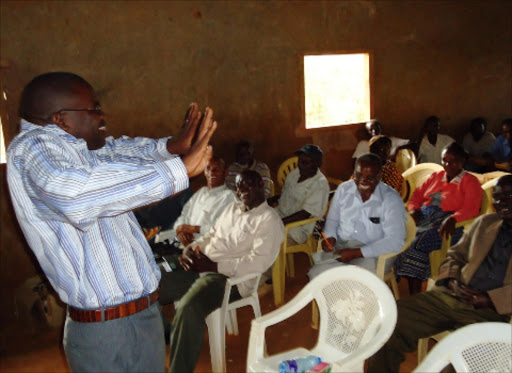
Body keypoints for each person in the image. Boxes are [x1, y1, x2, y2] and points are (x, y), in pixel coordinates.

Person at [6, 72, 217, 372]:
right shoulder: (33, 150)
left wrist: (170, 147)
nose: (102, 116)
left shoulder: (76, 147)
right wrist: (177, 170)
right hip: (105, 330)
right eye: (94, 109)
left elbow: (117, 151)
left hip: (141, 313)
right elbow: (76, 195)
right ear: (61, 120)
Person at [367, 175, 512, 373]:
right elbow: (455, 255)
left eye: (509, 196)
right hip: (452, 295)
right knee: (390, 321)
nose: (502, 203)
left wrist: (490, 299)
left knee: (458, 363)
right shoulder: (485, 223)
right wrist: (451, 280)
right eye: (497, 198)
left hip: (490, 312)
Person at [159, 170, 284, 373]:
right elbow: (211, 235)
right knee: (151, 281)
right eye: (238, 186)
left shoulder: (268, 220)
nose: (242, 190)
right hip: (200, 263)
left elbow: (258, 263)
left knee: (189, 308)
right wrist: (190, 250)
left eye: (247, 185)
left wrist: (214, 266)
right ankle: (171, 334)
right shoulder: (231, 209)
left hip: (225, 278)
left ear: (261, 184)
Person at [394, 142, 482, 294]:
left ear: (463, 161)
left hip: (446, 222)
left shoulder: (470, 181)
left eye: (453, 161)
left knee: (416, 244)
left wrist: (453, 219)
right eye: (444, 160)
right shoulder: (436, 176)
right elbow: (417, 196)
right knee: (401, 237)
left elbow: (471, 209)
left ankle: (415, 295)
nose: (448, 164)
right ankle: (412, 291)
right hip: (424, 216)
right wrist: (414, 210)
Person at [308, 153, 406, 279]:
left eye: (369, 178)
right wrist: (330, 237)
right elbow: (332, 220)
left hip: (374, 253)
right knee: (316, 275)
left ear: (379, 176)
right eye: (358, 175)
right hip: (342, 248)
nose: (362, 181)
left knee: (355, 282)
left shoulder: (391, 199)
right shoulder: (344, 190)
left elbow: (395, 241)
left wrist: (357, 253)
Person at [155, 155, 237, 247]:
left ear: (226, 172)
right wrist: (181, 230)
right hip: (183, 239)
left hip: (207, 243)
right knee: (156, 243)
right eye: (208, 168)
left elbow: (224, 229)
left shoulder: (230, 197)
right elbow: (184, 215)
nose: (211, 173)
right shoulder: (201, 192)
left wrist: (194, 229)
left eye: (216, 169)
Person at [268, 144, 329, 246]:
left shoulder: (319, 185)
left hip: (296, 229)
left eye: (305, 162)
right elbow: (288, 195)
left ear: (317, 164)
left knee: (264, 242)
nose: (300, 165)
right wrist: (273, 199)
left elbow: (305, 214)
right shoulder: (295, 174)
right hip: (280, 215)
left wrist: (279, 222)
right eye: (299, 161)